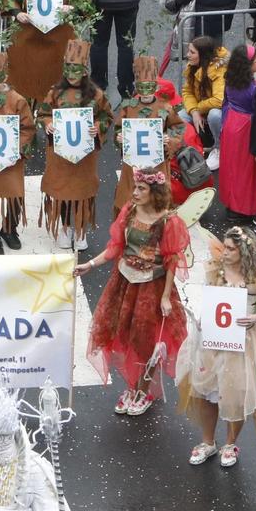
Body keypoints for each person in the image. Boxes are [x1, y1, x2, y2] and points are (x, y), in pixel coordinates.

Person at [176, 226, 256, 469]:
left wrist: (255, 317)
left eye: (230, 248)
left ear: (243, 251)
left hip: (244, 342)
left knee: (235, 393)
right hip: (213, 339)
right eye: (225, 247)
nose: (225, 252)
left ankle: (230, 443)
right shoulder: (215, 270)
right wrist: (201, 316)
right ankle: (207, 442)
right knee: (207, 392)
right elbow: (208, 300)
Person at [80, 170, 191, 417]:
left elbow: (172, 259)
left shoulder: (168, 221)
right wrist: (90, 265)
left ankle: (145, 391)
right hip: (124, 283)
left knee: (147, 340)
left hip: (151, 287)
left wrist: (164, 296)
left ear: (155, 192)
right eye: (135, 187)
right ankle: (132, 387)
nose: (135, 193)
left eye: (142, 188)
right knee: (124, 335)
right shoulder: (129, 211)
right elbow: (115, 247)